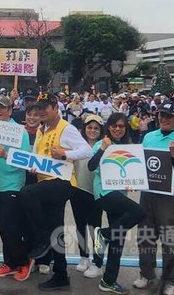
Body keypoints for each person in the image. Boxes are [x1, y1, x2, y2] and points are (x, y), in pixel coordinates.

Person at [20, 93, 91, 291]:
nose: (41, 111)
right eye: (38, 108)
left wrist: (65, 153)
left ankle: (42, 237)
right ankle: (61, 274)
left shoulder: (66, 128)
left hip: (63, 182)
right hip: (45, 182)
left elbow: (86, 150)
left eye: (45, 107)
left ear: (55, 107)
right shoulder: (41, 129)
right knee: (56, 228)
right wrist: (33, 165)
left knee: (27, 193)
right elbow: (36, 154)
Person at [133, 100, 174, 295]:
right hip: (148, 192)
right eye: (162, 115)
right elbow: (140, 162)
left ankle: (171, 280)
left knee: (171, 238)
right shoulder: (149, 137)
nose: (164, 119)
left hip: (170, 195)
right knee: (145, 236)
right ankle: (146, 274)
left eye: (169, 116)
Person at [87, 113, 146, 295]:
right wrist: (102, 148)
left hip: (120, 193)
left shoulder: (127, 146)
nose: (118, 129)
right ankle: (103, 235)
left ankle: (108, 281)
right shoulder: (102, 143)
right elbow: (91, 166)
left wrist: (132, 182)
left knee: (118, 240)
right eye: (114, 126)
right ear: (109, 127)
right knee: (139, 212)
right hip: (105, 193)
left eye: (121, 126)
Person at [0, 95, 35, 282]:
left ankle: (24, 261)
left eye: (2, 107)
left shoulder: (19, 131)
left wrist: (6, 154)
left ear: (10, 110)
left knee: (11, 227)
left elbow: (26, 160)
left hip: (13, 184)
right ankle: (10, 262)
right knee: (4, 226)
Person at [70, 114, 104, 280]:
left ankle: (98, 261)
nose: (92, 131)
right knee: (80, 225)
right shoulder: (77, 145)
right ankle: (84, 256)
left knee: (96, 228)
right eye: (89, 127)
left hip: (96, 191)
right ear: (84, 129)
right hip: (78, 189)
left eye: (96, 128)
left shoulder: (104, 146)